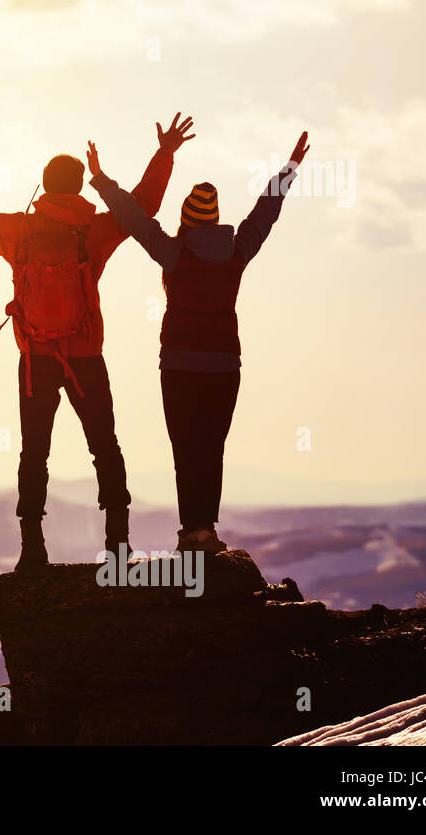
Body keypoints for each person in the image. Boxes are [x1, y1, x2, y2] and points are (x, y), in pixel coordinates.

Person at [0, 115, 195, 571]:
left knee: (34, 451)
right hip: (86, 355)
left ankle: (32, 549)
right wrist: (165, 152)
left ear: (44, 187)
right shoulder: (96, 231)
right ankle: (118, 546)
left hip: (35, 358)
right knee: (105, 445)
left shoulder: (19, 232)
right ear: (79, 190)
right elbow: (143, 206)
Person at [85, 131, 310, 552]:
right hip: (224, 366)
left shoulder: (174, 253)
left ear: (187, 218)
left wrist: (100, 179)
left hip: (179, 365)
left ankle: (193, 533)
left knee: (185, 449)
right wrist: (289, 168)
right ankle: (206, 530)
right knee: (212, 447)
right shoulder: (237, 250)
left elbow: (134, 218)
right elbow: (265, 213)